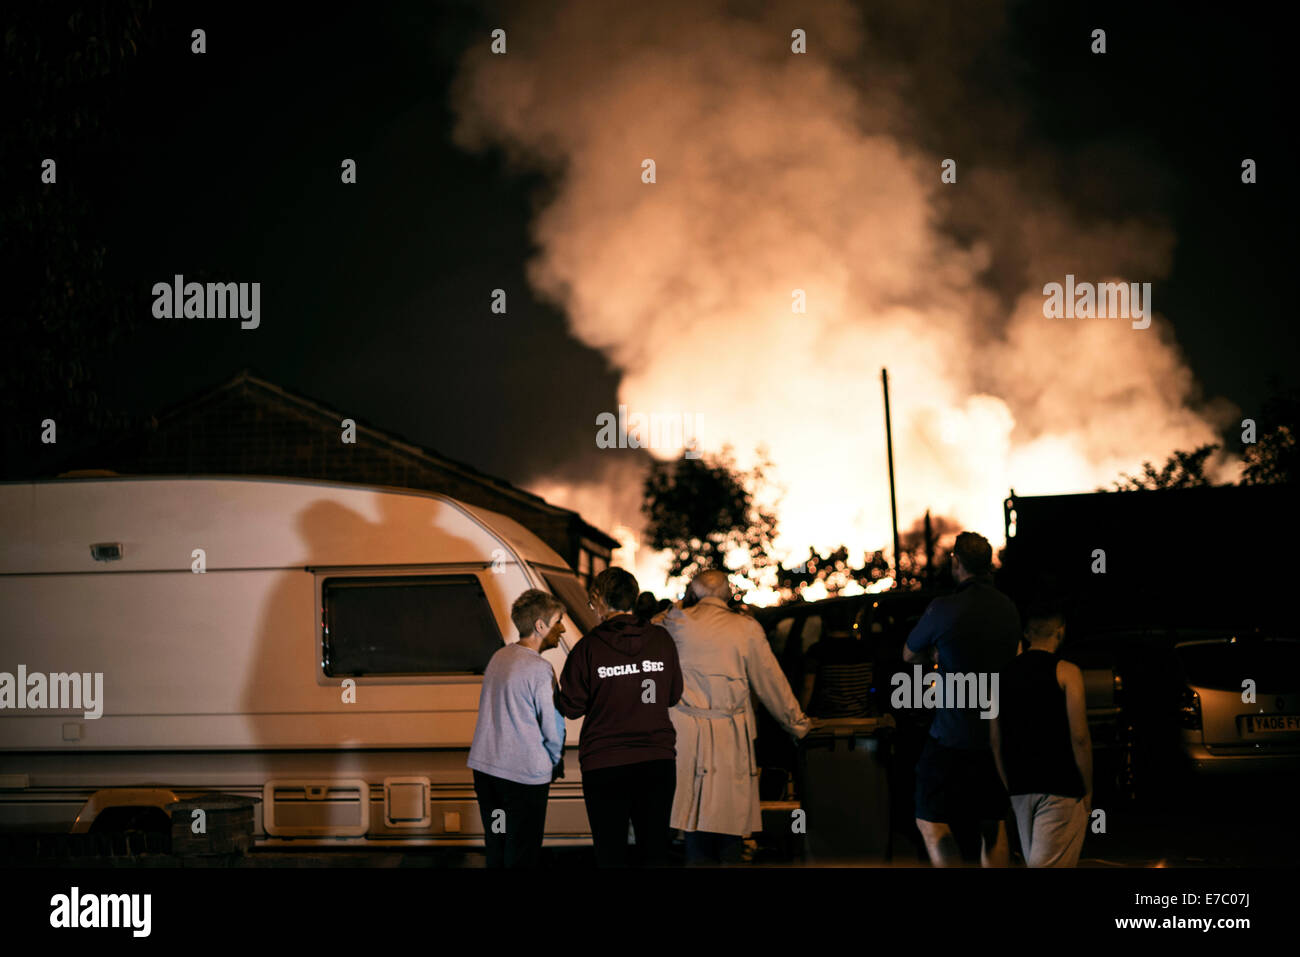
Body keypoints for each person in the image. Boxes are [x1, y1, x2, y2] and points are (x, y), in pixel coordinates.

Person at [661, 569, 814, 865]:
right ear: (727, 594)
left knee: (695, 819)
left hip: (687, 734)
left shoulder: (675, 622)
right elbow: (771, 682)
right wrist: (798, 724)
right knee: (728, 820)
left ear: (693, 592)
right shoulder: (745, 628)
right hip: (729, 735)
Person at [902, 531, 1020, 867]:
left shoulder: (943, 608)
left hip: (951, 736)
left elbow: (909, 655)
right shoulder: (1008, 608)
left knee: (929, 817)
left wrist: (937, 657)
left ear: (956, 562)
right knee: (992, 824)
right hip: (995, 737)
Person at [557, 567, 683, 866]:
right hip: (656, 760)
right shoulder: (662, 640)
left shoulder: (587, 648)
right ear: (634, 597)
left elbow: (571, 707)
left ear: (599, 599)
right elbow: (673, 695)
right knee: (654, 850)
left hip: (605, 764)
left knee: (610, 850)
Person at [467, 589, 568, 867]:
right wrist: (553, 761)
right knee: (522, 850)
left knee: (498, 843)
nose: (562, 628)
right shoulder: (540, 669)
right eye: (558, 621)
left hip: (487, 771)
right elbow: (552, 726)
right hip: (522, 776)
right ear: (540, 625)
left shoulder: (499, 657)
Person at [991, 605, 1091, 867]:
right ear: (1060, 632)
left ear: (1026, 633)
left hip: (1020, 786)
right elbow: (1080, 737)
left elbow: (995, 739)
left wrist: (1008, 784)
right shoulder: (1068, 672)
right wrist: (1088, 790)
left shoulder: (997, 678)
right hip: (1061, 786)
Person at [801, 609, 874, 718]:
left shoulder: (817, 650)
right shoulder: (865, 649)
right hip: (860, 716)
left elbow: (807, 687)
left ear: (825, 623)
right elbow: (869, 684)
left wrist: (801, 716)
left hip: (828, 719)